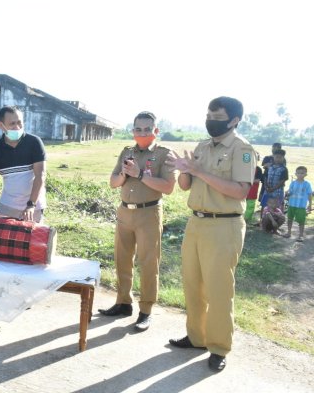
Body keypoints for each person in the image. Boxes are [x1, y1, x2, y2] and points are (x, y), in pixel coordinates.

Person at [166, 96, 256, 372]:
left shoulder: (243, 150)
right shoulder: (202, 146)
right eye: (208, 115)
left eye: (217, 117)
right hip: (196, 223)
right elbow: (185, 185)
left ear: (234, 120)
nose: (211, 121)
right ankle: (197, 337)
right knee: (193, 284)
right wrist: (184, 172)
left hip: (224, 226)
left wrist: (198, 171)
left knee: (219, 289)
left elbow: (241, 190)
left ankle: (218, 347)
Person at [97, 111, 175, 331]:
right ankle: (123, 303)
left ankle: (146, 311)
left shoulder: (164, 154)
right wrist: (124, 173)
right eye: (138, 129)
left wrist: (140, 174)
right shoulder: (126, 152)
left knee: (149, 263)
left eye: (147, 129)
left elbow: (168, 187)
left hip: (149, 213)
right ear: (133, 131)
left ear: (155, 131)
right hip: (125, 213)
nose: (142, 133)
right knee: (122, 259)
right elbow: (113, 182)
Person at [284, 166, 312, 242]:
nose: (300, 174)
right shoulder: (293, 183)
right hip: (291, 205)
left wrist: (310, 204)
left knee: (301, 221)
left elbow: (310, 195)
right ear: (296, 174)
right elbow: (289, 192)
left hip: (301, 206)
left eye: (302, 173)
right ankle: (289, 232)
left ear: (305, 174)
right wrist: (287, 193)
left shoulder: (307, 184)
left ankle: (300, 236)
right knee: (289, 219)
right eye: (298, 173)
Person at [244, 157, 263, 222]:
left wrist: (247, 180)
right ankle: (242, 218)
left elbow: (257, 180)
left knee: (250, 206)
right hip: (243, 190)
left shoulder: (258, 169)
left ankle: (247, 219)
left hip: (252, 191)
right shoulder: (244, 167)